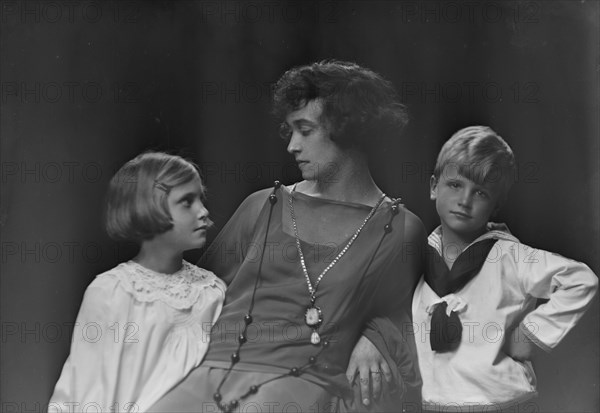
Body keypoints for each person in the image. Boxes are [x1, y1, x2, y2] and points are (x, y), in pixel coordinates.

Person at [148, 61, 425, 413]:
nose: (292, 145)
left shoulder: (399, 227)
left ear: (350, 130)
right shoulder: (262, 205)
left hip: (300, 380)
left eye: (305, 131)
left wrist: (374, 337)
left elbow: (400, 311)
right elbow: (196, 291)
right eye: (290, 131)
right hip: (213, 371)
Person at [412, 126, 598, 412]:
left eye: (481, 193)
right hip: (436, 403)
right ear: (434, 186)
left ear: (495, 206)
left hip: (502, 403)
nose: (465, 200)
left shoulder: (510, 256)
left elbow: (581, 280)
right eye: (455, 185)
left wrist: (529, 335)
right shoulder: (417, 255)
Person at [48, 152, 226, 413]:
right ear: (149, 208)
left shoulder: (211, 291)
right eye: (187, 202)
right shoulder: (113, 291)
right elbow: (86, 390)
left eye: (201, 198)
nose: (203, 212)